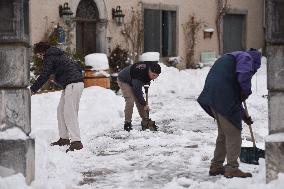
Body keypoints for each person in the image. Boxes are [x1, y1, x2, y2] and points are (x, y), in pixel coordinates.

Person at [197, 48, 261, 178]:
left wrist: (244, 116)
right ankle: (232, 168)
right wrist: (245, 91)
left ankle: (216, 165)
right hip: (223, 96)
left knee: (224, 133)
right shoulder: (247, 57)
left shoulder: (231, 58)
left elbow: (233, 95)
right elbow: (244, 74)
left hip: (212, 95)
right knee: (234, 133)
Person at [30, 42, 84, 152]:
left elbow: (44, 75)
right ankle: (64, 138)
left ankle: (76, 142)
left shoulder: (49, 57)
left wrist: (33, 89)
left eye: (39, 55)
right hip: (71, 84)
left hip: (73, 84)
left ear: (42, 52)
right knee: (61, 111)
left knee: (70, 113)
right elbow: (77, 67)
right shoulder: (58, 55)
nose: (40, 58)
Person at [117, 61, 161, 131]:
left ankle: (145, 121)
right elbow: (137, 91)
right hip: (124, 80)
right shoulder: (140, 74)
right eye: (153, 75)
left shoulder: (151, 66)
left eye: (156, 76)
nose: (154, 78)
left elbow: (146, 79)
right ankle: (127, 123)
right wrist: (144, 103)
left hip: (134, 79)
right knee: (130, 100)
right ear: (149, 71)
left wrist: (147, 85)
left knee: (140, 100)